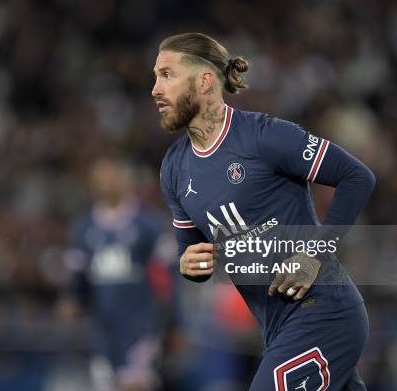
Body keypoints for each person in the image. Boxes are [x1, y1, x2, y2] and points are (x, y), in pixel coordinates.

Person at [153, 33, 375, 390]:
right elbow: (193, 256)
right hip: (275, 328)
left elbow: (356, 176)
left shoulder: (263, 136)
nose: (155, 89)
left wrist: (314, 253)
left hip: (323, 311)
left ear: (205, 80)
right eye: (155, 76)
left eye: (167, 74)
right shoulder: (173, 169)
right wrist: (188, 264)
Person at [66, 158, 177, 391]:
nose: (105, 185)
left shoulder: (148, 224)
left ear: (124, 181)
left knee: (134, 383)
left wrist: (177, 322)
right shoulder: (85, 228)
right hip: (103, 327)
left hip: (140, 323)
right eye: (99, 180)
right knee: (104, 382)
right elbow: (78, 277)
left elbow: (168, 277)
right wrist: (72, 300)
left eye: (111, 178)